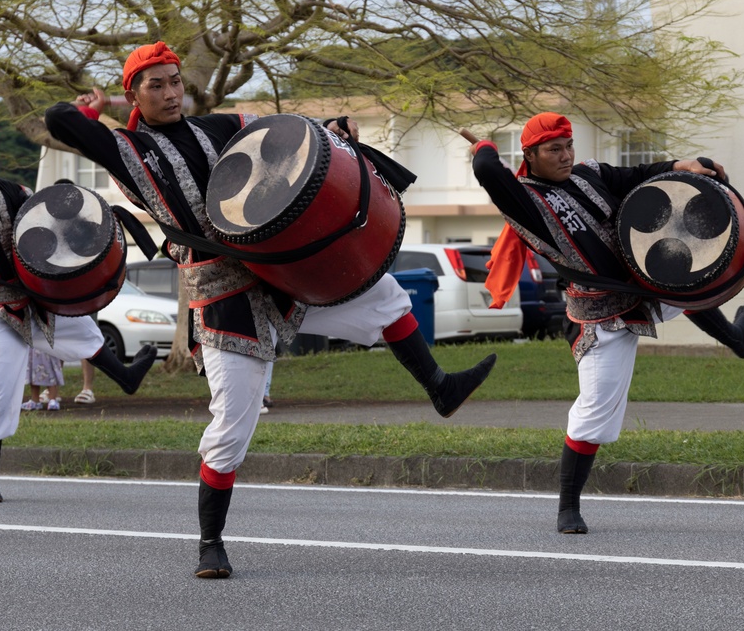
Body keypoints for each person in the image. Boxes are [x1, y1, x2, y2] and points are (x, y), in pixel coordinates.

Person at [44, 41, 497, 579]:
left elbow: (288, 135)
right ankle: (209, 542)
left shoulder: (218, 126)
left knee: (383, 295)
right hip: (222, 291)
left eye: (174, 81)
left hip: (280, 271)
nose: (170, 93)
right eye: (156, 85)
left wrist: (333, 127)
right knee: (232, 427)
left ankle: (439, 387)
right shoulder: (127, 150)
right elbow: (59, 119)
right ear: (134, 94)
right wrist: (97, 110)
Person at [469, 112, 744, 535]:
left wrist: (684, 165)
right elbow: (487, 169)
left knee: (687, 280)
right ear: (529, 155)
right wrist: (483, 146)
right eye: (554, 149)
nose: (566, 156)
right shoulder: (524, 200)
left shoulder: (589, 173)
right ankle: (568, 508)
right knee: (595, 411)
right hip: (600, 315)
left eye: (568, 146)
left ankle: (734, 337)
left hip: (643, 286)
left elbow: (639, 173)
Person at [0, 115, 158, 503]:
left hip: (30, 298)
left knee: (83, 331)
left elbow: (51, 208)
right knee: (0, 392)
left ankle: (125, 377)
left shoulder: (14, 190)